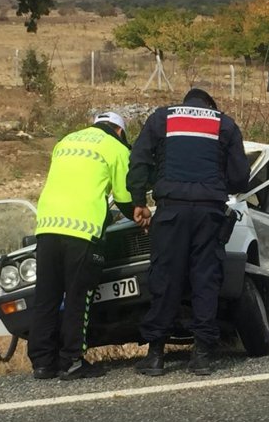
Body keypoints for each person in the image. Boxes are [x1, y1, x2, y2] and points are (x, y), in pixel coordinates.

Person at [127, 88, 250, 376]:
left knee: (165, 277)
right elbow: (240, 177)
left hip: (171, 211)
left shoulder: (162, 118)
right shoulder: (225, 124)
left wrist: (138, 201)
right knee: (205, 279)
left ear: (186, 102)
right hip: (209, 213)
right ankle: (202, 356)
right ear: (210, 105)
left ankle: (156, 355)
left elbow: (139, 161)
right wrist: (218, 187)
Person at [28, 111, 135, 380]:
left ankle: (42, 363)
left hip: (47, 226)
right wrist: (138, 213)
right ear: (120, 131)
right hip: (82, 230)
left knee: (47, 297)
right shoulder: (116, 147)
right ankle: (71, 360)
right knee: (78, 297)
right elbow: (124, 197)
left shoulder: (65, 142)